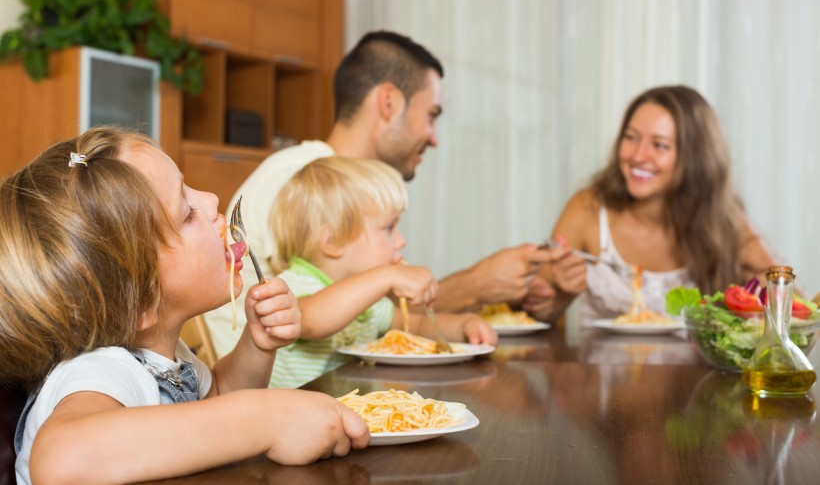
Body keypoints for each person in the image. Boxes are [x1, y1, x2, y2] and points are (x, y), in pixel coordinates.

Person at [0, 128, 369, 484]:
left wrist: (256, 345)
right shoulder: (102, 371)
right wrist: (262, 419)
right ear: (140, 300)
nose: (210, 200)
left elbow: (219, 396)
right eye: (187, 212)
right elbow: (63, 459)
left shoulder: (166, 357)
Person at [206, 30, 556, 358]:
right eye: (431, 115)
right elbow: (311, 312)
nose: (434, 138)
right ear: (388, 102)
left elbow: (384, 312)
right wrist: (476, 285)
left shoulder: (355, 195)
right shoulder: (301, 183)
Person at [539, 85, 775, 324]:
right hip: (599, 363)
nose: (638, 156)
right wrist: (558, 291)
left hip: (694, 363)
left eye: (659, 145)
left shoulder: (723, 219)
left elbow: (789, 304)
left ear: (695, 157)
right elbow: (534, 312)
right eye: (631, 138)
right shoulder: (587, 208)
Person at [268, 156, 498, 388]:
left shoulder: (369, 302)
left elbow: (415, 327)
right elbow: (309, 321)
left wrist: (464, 326)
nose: (400, 241)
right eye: (389, 228)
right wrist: (386, 276)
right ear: (333, 241)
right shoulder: (291, 287)